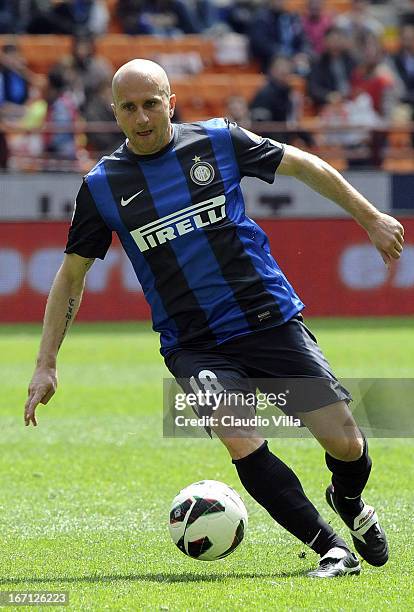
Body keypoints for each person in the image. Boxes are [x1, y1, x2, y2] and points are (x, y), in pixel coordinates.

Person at [24, 59, 404, 578]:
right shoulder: (102, 186)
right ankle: (331, 548)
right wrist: (46, 363)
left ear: (171, 102)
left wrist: (371, 217)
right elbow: (70, 277)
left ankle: (348, 499)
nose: (142, 118)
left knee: (345, 442)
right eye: (129, 108)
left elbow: (304, 164)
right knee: (238, 434)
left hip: (266, 319)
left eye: (151, 104)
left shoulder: (218, 140)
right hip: (193, 342)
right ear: (114, 112)